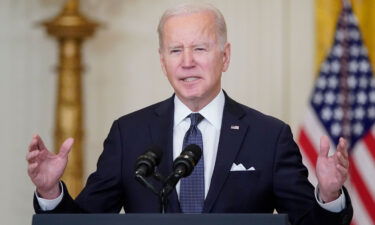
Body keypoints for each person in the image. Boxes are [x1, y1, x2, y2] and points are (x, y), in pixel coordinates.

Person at [27, 3, 353, 225]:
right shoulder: (129, 134)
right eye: (175, 50)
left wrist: (328, 194)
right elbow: (85, 221)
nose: (187, 62)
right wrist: (50, 192)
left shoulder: (268, 136)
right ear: (162, 60)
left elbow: (305, 223)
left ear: (224, 57)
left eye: (199, 48)